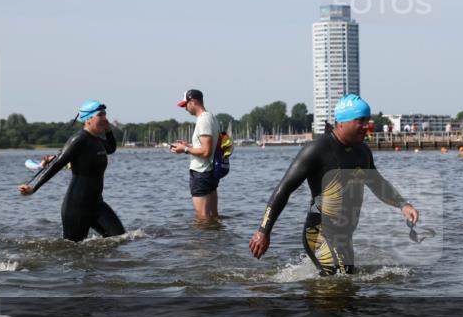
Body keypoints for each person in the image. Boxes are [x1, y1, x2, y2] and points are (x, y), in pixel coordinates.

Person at [249, 94, 419, 276]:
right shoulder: (316, 150)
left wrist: (403, 204)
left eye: (367, 120)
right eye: (360, 121)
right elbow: (284, 189)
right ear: (342, 123)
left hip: (344, 236)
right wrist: (263, 231)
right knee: (341, 280)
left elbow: (377, 183)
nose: (367, 126)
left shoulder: (363, 151)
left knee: (347, 283)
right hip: (318, 233)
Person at [19, 100, 125, 241]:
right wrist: (33, 188)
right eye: (100, 115)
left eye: (105, 114)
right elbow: (56, 164)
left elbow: (111, 148)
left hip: (97, 205)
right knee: (72, 250)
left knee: (120, 239)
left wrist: (108, 131)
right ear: (88, 119)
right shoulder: (78, 139)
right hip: (77, 208)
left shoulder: (97, 140)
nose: (105, 119)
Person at [170, 89, 221, 221]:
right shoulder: (211, 117)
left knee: (202, 218)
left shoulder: (203, 120)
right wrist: (188, 145)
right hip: (209, 172)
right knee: (213, 217)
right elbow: (206, 148)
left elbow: (206, 151)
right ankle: (215, 235)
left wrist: (185, 149)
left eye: (185, 105)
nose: (185, 109)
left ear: (193, 102)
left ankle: (202, 236)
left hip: (201, 174)